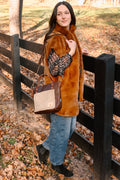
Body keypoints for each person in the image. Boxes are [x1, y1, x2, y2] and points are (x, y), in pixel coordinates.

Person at [36, 1, 88, 177]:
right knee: (62, 133)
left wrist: (79, 52)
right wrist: (71, 53)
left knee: (69, 129)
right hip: (61, 96)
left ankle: (44, 147)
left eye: (67, 12)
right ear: (55, 17)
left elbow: (69, 59)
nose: (64, 16)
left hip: (71, 96)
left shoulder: (68, 34)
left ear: (71, 15)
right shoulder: (55, 37)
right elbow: (54, 69)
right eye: (59, 14)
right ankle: (56, 163)